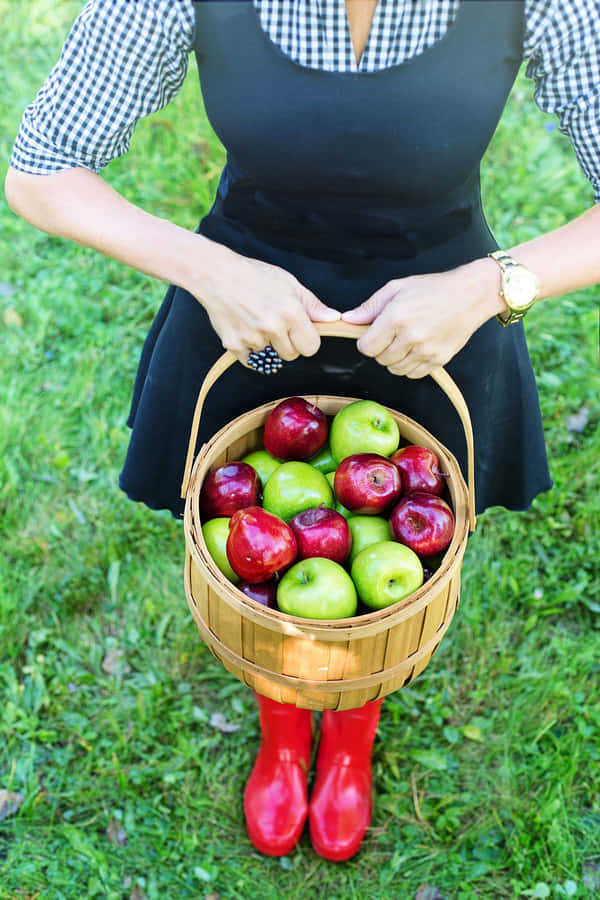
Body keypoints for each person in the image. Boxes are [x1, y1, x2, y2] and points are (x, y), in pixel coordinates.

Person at [5, 0, 600, 863]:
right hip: (245, 315)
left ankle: (354, 721)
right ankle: (285, 725)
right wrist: (209, 271)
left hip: (435, 325)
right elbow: (39, 167)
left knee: (401, 567)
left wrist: (490, 287)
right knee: (257, 556)